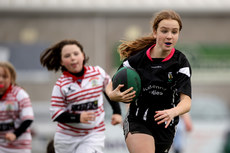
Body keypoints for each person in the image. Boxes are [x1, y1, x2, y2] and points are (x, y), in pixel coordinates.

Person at [106, 9, 192, 153]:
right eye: (164, 31)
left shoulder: (180, 62)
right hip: (138, 120)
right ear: (155, 32)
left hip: (165, 125)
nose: (169, 36)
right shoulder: (137, 59)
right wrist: (112, 94)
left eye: (174, 32)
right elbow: (111, 83)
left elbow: (186, 101)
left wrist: (173, 112)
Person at [40, 39, 122, 153]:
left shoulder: (98, 73)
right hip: (67, 138)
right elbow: (56, 114)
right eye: (67, 56)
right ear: (61, 62)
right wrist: (78, 118)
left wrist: (117, 112)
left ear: (83, 56)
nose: (72, 57)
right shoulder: (60, 85)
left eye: (76, 53)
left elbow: (110, 92)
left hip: (93, 134)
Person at [0, 61, 34, 153]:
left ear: (11, 78)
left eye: (4, 77)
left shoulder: (20, 94)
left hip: (19, 146)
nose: (1, 80)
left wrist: (15, 134)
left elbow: (28, 119)